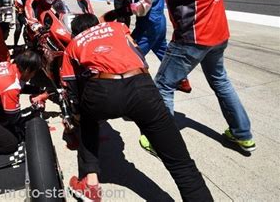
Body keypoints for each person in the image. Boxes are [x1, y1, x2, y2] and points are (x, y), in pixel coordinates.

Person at [113, 0, 256, 152]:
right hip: (219, 33)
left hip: (193, 36)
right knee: (221, 82)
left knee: (164, 86)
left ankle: (162, 143)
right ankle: (242, 133)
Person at [61, 14, 212, 202]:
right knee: (181, 163)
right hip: (141, 84)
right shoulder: (117, 27)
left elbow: (70, 87)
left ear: (75, 32)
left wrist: (76, 115)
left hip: (102, 90)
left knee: (87, 121)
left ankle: (90, 183)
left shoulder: (73, 45)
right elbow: (139, 54)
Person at [122, 0, 192, 94]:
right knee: (164, 53)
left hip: (148, 24)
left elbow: (143, 7)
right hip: (157, 21)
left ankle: (135, 91)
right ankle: (182, 81)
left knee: (131, 55)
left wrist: (128, 9)